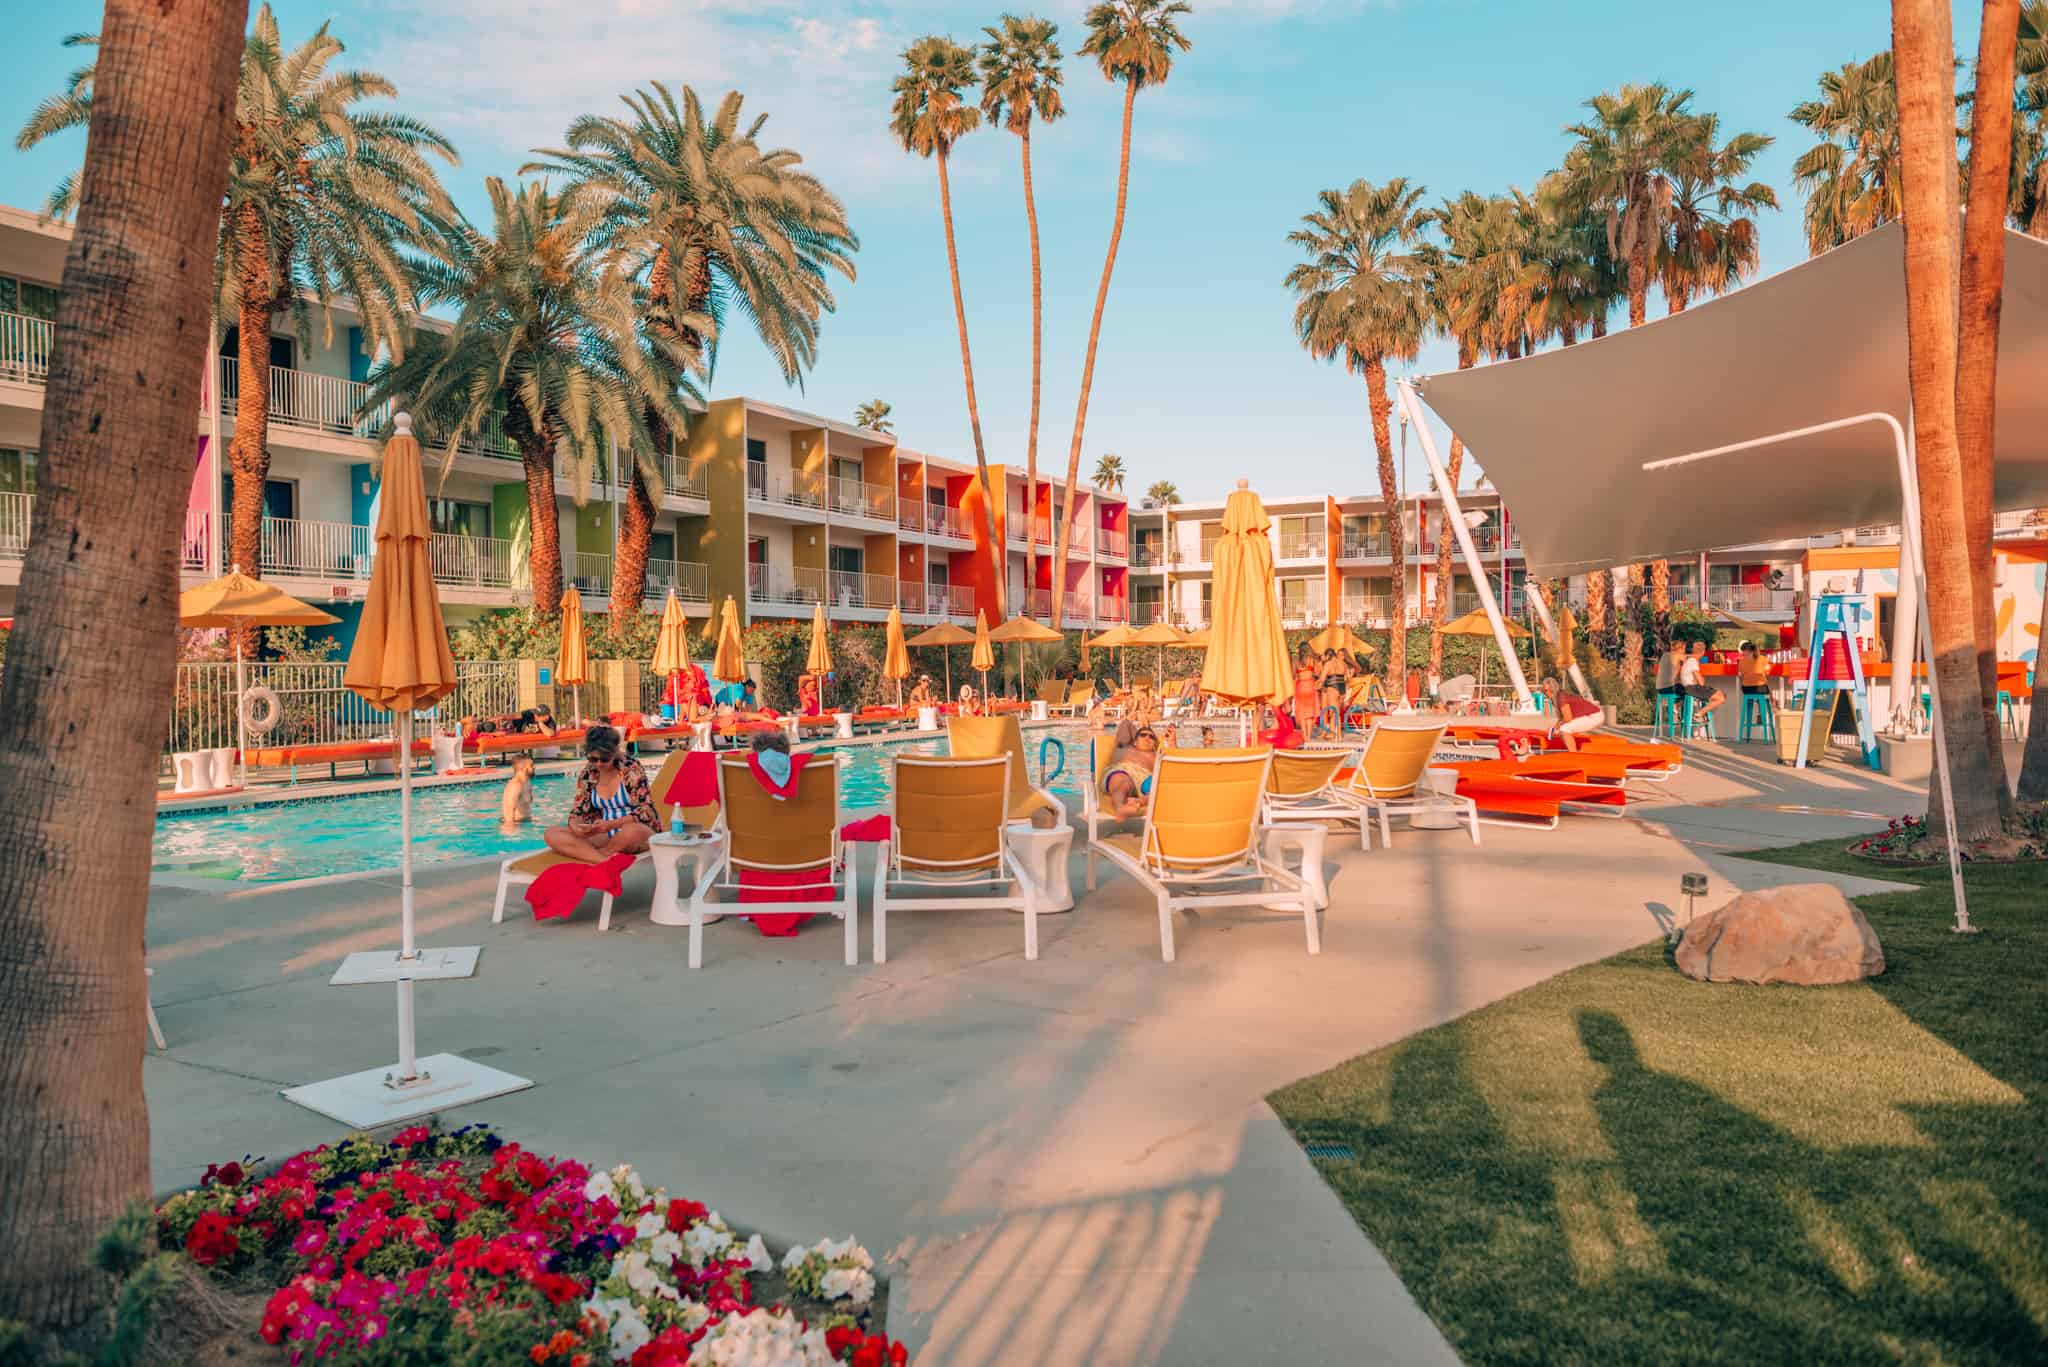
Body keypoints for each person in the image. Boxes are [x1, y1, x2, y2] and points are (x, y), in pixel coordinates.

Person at [543, 726, 656, 862]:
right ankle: (602, 860)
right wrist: (576, 827)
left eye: (604, 759)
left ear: (614, 752)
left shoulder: (631, 769)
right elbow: (578, 811)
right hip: (604, 833)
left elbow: (646, 811)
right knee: (551, 834)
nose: (599, 764)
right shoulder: (589, 773)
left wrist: (611, 824)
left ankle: (596, 855)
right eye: (593, 759)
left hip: (634, 829)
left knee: (632, 832)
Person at [1101, 720, 1160, 820]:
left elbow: (1172, 767)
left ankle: (1139, 802)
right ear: (1135, 741)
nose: (1147, 738)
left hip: (1144, 779)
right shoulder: (1125, 747)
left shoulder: (1156, 755)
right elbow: (1125, 723)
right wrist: (1143, 727)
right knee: (1123, 782)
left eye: (1151, 736)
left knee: (1158, 789)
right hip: (1122, 771)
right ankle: (1120, 808)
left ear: (1155, 743)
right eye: (1143, 735)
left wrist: (1172, 743)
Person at [1540, 677, 1603, 751]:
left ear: (1552, 689)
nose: (1544, 693)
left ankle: (1573, 754)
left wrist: (1556, 726)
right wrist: (1554, 729)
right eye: (1543, 691)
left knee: (1565, 729)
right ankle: (1572, 750)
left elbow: (1567, 718)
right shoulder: (1556, 698)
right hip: (1591, 715)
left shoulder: (1561, 697)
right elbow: (1562, 718)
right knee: (1559, 729)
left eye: (1545, 691)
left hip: (1594, 716)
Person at [1678, 640, 1725, 717]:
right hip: (1693, 689)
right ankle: (1700, 714)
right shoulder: (1693, 662)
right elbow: (1701, 682)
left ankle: (1700, 715)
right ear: (1703, 652)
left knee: (1720, 694)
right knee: (1721, 698)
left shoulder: (1688, 660)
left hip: (1688, 688)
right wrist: (1701, 679)